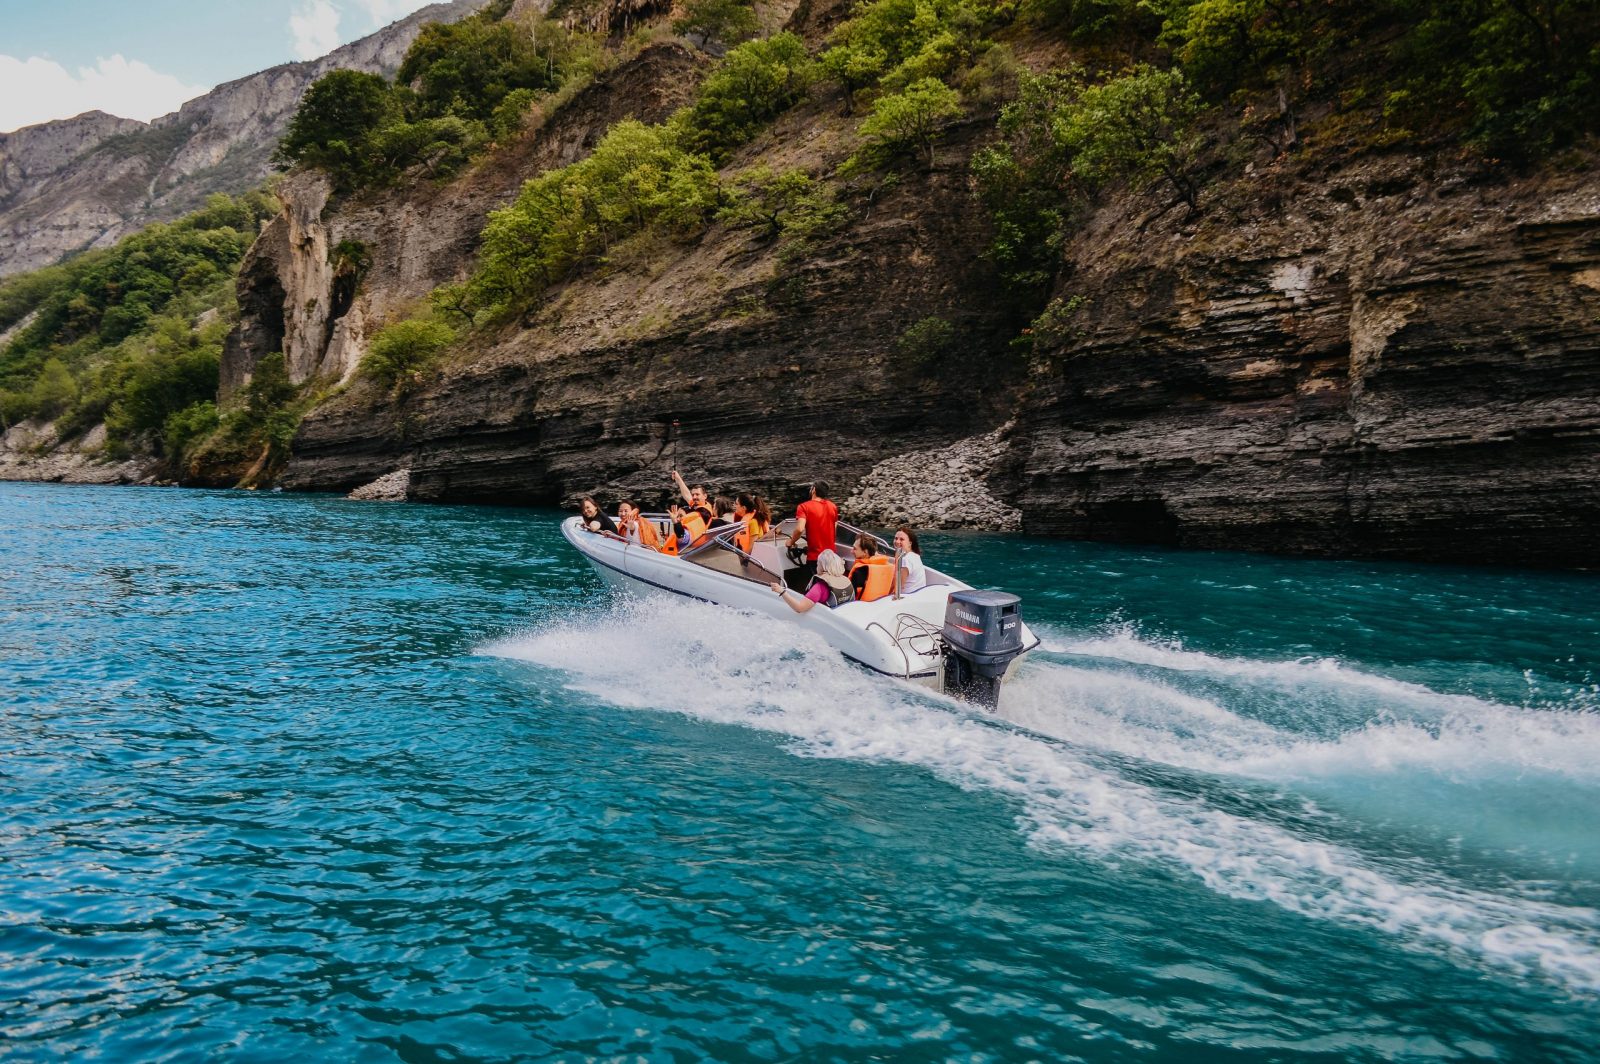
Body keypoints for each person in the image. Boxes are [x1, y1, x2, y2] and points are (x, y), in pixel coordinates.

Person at [785, 481, 838, 589]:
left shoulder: (804, 507)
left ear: (813, 490)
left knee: (817, 586)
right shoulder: (833, 506)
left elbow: (800, 529)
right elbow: (834, 528)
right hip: (831, 554)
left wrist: (791, 542)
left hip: (815, 556)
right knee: (829, 584)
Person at [770, 549, 855, 612]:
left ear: (822, 566)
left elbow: (800, 608)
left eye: (818, 564)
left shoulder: (820, 587)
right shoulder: (847, 581)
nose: (817, 566)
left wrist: (782, 592)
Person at [848, 536, 895, 602]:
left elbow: (850, 598)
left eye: (854, 549)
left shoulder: (858, 573)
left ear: (865, 552)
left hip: (861, 607)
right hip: (881, 603)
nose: (851, 551)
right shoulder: (888, 567)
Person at [893, 526, 926, 596]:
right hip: (917, 595)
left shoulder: (906, 559)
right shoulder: (915, 555)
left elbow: (898, 586)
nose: (897, 541)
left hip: (907, 597)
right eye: (896, 538)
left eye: (902, 539)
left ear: (910, 543)